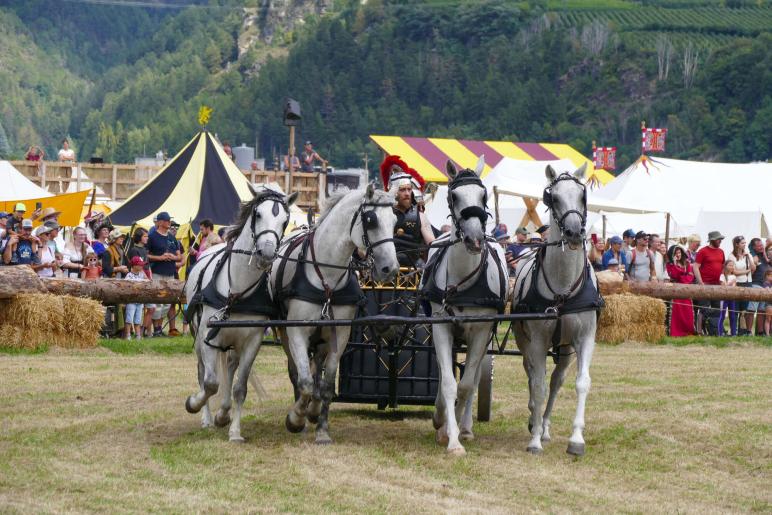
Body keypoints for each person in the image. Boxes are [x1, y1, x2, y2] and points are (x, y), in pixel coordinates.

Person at [380, 155, 433, 267]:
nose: (407, 193)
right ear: (393, 191)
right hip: (386, 266)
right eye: (402, 190)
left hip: (415, 267)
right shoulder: (383, 214)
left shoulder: (420, 216)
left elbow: (432, 243)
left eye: (409, 189)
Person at [147, 212, 181, 337]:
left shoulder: (172, 237)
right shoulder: (152, 236)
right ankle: (156, 329)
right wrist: (160, 258)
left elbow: (179, 256)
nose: (169, 223)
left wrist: (173, 257)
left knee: (167, 302)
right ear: (160, 222)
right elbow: (146, 255)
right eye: (167, 220)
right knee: (158, 301)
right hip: (157, 272)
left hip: (170, 272)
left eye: (169, 220)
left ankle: (159, 328)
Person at [693, 231, 726, 336]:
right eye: (718, 239)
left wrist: (722, 279)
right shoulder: (703, 251)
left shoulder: (721, 251)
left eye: (720, 239)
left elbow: (722, 267)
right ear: (712, 240)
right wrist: (700, 282)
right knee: (703, 309)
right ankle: (699, 331)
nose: (720, 241)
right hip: (705, 284)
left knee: (716, 309)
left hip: (716, 285)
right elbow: (695, 266)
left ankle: (713, 331)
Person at [727, 235, 755, 335]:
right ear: (737, 244)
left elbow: (753, 268)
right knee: (736, 308)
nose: (744, 244)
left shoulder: (747, 254)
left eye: (745, 243)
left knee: (744, 309)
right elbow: (734, 271)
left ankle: (742, 331)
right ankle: (734, 330)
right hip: (737, 283)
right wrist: (747, 271)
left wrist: (749, 257)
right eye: (742, 243)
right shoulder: (731, 256)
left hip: (748, 283)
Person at [666, 245, 695, 337]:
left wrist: (682, 279)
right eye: (676, 253)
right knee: (677, 313)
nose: (678, 255)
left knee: (687, 312)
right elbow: (674, 275)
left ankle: (687, 331)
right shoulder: (670, 265)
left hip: (686, 291)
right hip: (675, 293)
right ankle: (676, 332)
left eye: (679, 253)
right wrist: (675, 264)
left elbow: (690, 277)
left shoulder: (687, 263)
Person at [747, 238, 770, 335]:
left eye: (762, 245)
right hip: (755, 285)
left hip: (765, 287)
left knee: (761, 311)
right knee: (751, 310)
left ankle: (760, 332)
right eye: (759, 246)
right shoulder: (752, 256)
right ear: (753, 247)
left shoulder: (764, 255)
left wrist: (764, 248)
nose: (761, 247)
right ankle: (748, 331)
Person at [124, 256, 148, 341]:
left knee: (138, 319)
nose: (142, 266)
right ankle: (127, 335)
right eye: (140, 265)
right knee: (129, 318)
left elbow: (148, 282)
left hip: (139, 301)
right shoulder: (129, 275)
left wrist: (144, 274)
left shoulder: (142, 274)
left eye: (142, 265)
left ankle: (138, 335)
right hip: (131, 301)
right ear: (134, 265)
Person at [763, 268, 772, 336]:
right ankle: (767, 334)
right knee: (768, 319)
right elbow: (768, 291)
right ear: (766, 276)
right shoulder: (766, 283)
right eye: (770, 275)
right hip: (769, 303)